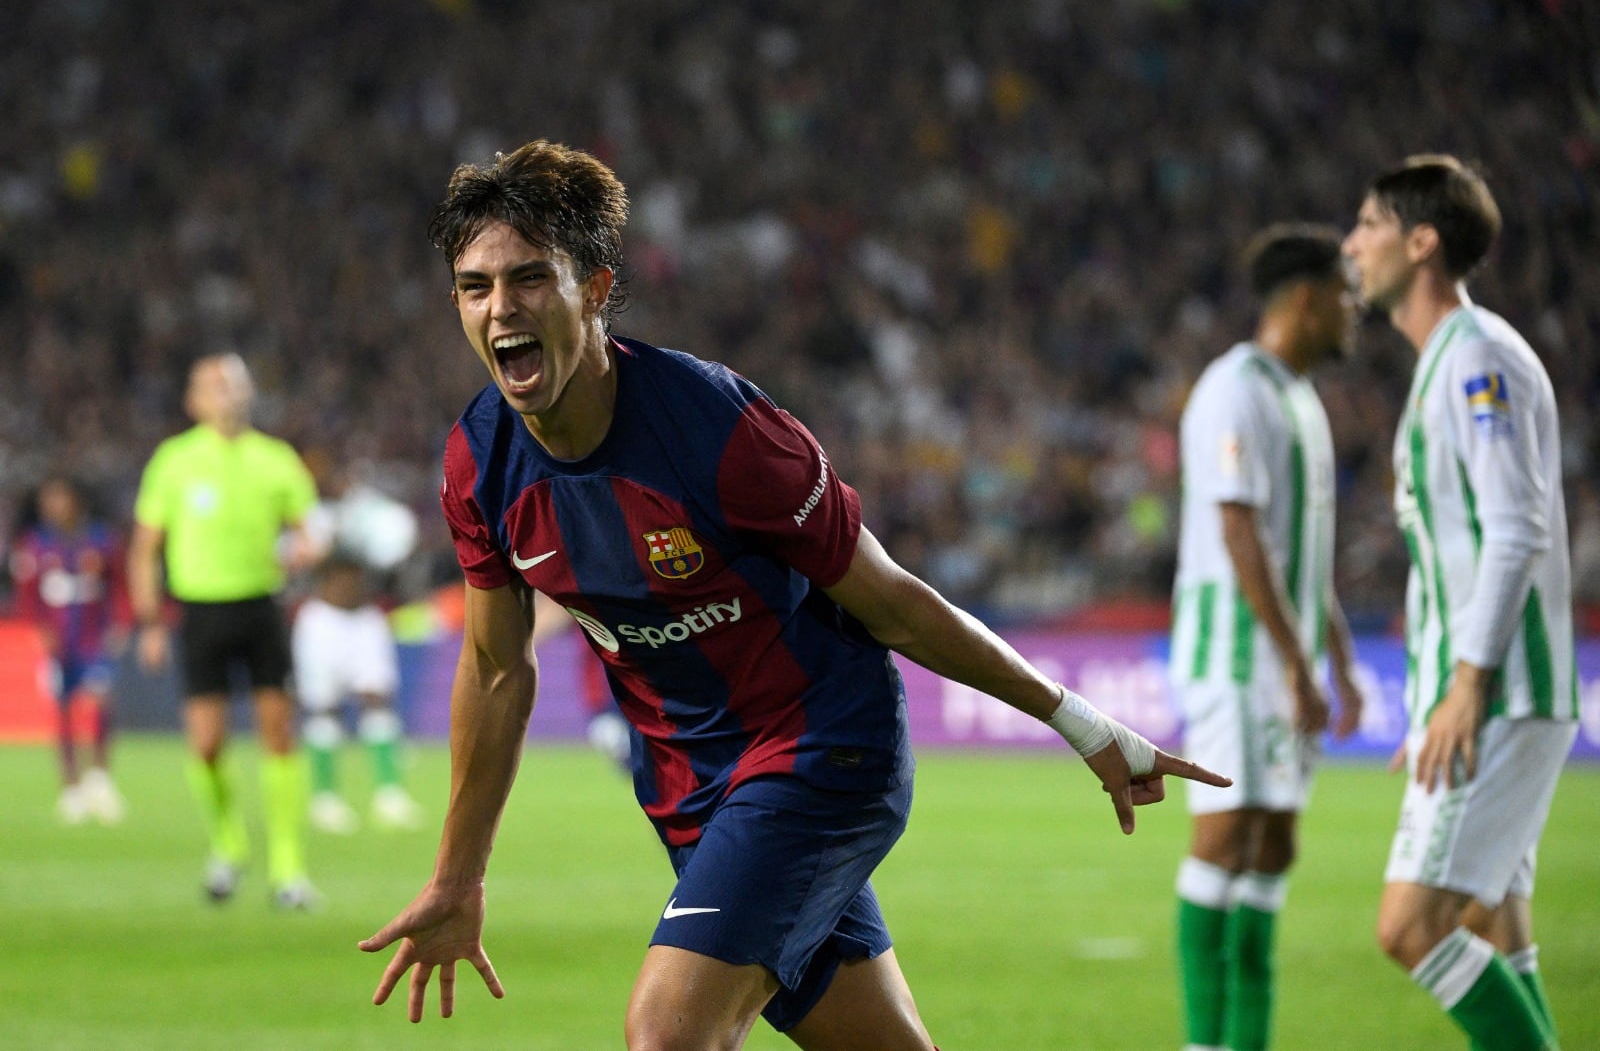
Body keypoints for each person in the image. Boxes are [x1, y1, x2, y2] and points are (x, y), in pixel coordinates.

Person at [358, 139, 1231, 1049]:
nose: (501, 307)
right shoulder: (478, 462)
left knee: (667, 1035)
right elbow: (499, 667)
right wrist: (459, 876)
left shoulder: (723, 432)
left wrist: (1080, 721)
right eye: (475, 286)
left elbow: (889, 599)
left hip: (822, 753)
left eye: (531, 278)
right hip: (693, 794)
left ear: (598, 287)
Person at [1343, 154, 1578, 1051]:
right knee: (1490, 925)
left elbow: (1518, 527)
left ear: (1422, 240)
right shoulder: (1449, 360)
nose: (1353, 244)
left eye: (1368, 224)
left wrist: (1468, 683)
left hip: (1506, 688)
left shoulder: (1478, 361)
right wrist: (1445, 680)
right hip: (1488, 687)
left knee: (1411, 926)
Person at [1167, 225, 1366, 1051]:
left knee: (1275, 844)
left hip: (1285, 661)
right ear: (1308, 298)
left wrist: (1341, 660)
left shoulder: (1302, 398)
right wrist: (1295, 660)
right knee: (1224, 836)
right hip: (1234, 657)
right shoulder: (1233, 388)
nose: (1358, 311)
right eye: (1347, 295)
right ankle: (1206, 1044)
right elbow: (1241, 533)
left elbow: (1298, 553)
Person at [127, 353, 323, 909]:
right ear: (193, 401)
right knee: (207, 743)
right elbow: (145, 549)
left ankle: (288, 868)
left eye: (234, 384)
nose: (226, 394)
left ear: (248, 393)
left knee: (279, 735)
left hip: (262, 607)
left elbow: (311, 527)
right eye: (213, 385)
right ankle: (228, 843)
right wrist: (148, 622)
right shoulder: (174, 461)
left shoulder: (276, 458)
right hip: (200, 612)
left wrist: (309, 545)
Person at [295, 453, 425, 834]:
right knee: (323, 709)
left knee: (378, 701)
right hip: (324, 621)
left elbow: (390, 558)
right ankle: (326, 799)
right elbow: (305, 559)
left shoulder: (377, 518)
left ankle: (389, 796)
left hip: (365, 620)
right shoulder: (313, 517)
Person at [9, 474, 130, 825]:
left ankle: (100, 778)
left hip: (93, 637)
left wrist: (121, 620)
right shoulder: (36, 544)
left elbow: (119, 584)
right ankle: (70, 787)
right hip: (59, 639)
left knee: (100, 697)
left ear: (76, 500)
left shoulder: (102, 541)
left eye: (60, 499)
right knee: (62, 709)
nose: (54, 507)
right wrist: (37, 629)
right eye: (48, 501)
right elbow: (27, 594)